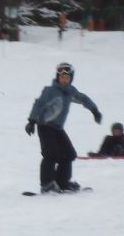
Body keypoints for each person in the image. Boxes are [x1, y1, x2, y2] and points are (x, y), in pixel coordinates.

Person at [25, 62, 102, 193]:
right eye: (62, 77)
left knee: (69, 154)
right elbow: (39, 104)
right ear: (58, 77)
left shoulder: (70, 91)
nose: (64, 80)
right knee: (51, 154)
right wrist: (32, 121)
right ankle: (47, 184)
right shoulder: (51, 91)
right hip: (45, 126)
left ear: (71, 78)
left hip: (58, 128)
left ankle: (62, 182)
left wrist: (94, 110)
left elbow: (83, 98)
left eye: (67, 78)